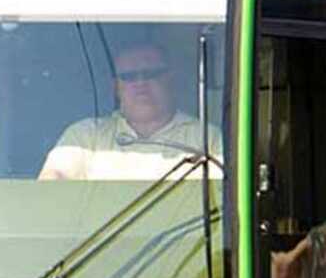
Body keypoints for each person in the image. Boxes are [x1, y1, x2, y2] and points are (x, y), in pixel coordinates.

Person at [39, 42, 222, 181]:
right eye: (129, 77)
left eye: (151, 74)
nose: (140, 83)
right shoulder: (85, 136)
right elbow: (51, 192)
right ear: (116, 87)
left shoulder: (206, 138)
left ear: (170, 80)